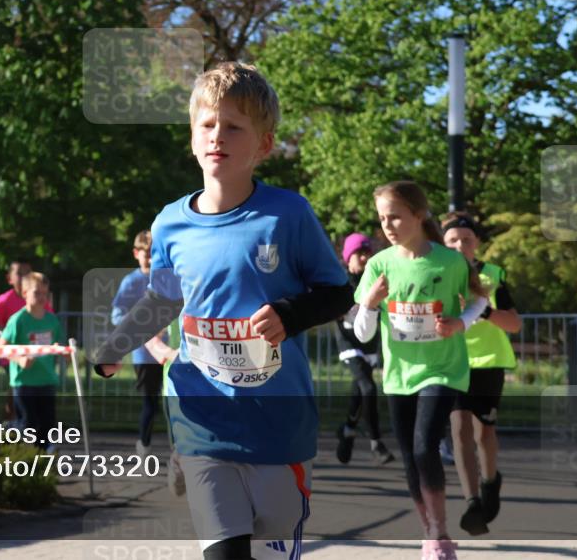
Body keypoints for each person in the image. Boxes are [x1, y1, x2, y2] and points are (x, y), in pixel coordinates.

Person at [93, 62, 354, 560]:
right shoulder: (170, 222)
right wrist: (115, 346)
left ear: (263, 145)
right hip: (200, 412)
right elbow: (164, 298)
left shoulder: (288, 215)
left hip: (276, 424)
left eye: (234, 127)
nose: (218, 136)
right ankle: (182, 456)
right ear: (192, 138)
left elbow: (338, 293)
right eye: (207, 125)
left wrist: (288, 313)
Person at [353, 181, 489, 560]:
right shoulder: (380, 265)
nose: (388, 225)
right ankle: (428, 531)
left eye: (395, 216)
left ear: (419, 214)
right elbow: (362, 333)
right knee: (411, 455)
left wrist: (460, 323)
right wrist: (369, 302)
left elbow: (480, 300)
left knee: (423, 445)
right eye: (382, 218)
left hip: (443, 368)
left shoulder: (450, 261)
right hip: (399, 374)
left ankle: (441, 533)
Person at [442, 212, 521, 536]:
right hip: (453, 361)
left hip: (488, 362)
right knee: (458, 428)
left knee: (483, 433)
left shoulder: (493, 276)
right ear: (443, 244)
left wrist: (482, 308)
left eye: (466, 240)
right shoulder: (437, 274)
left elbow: (514, 324)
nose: (460, 246)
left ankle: (491, 482)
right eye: (453, 241)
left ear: (477, 244)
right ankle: (473, 501)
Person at [335, 232, 395, 465]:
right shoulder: (339, 283)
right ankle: (376, 442)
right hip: (349, 344)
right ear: (348, 258)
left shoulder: (375, 280)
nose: (364, 257)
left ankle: (348, 430)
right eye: (358, 253)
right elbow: (329, 307)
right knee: (369, 388)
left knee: (360, 392)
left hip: (369, 345)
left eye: (367, 253)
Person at [111, 229, 171, 458]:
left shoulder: (167, 277)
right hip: (145, 355)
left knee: (173, 402)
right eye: (145, 253)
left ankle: (180, 450)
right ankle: (144, 445)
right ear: (136, 253)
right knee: (151, 403)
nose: (149, 258)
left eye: (153, 253)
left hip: (171, 351)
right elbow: (117, 315)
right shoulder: (131, 282)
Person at [0, 272, 66, 451]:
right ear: (24, 293)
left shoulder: (52, 320)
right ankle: (5, 429)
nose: (42, 297)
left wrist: (63, 351)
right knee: (29, 425)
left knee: (47, 425)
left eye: (45, 293)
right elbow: (1, 347)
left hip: (47, 379)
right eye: (37, 293)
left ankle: (42, 459)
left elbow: (59, 343)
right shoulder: (18, 320)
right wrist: (18, 359)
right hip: (24, 381)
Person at [0, 259, 52, 421]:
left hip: (37, 356)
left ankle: (19, 428)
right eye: (19, 273)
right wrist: (2, 338)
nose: (24, 276)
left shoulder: (40, 300)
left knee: (33, 397)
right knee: (17, 393)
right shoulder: (3, 301)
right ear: (9, 278)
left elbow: (49, 323)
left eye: (27, 273)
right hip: (13, 357)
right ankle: (12, 427)